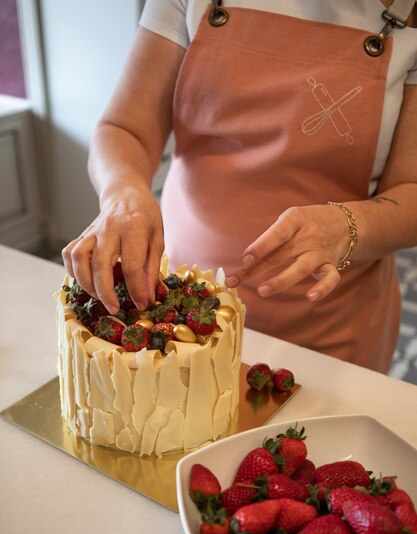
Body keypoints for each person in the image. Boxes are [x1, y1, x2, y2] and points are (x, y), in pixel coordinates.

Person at [62, 0, 417, 373]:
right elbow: (125, 128)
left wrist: (347, 225)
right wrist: (124, 195)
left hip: (330, 329)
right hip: (181, 308)